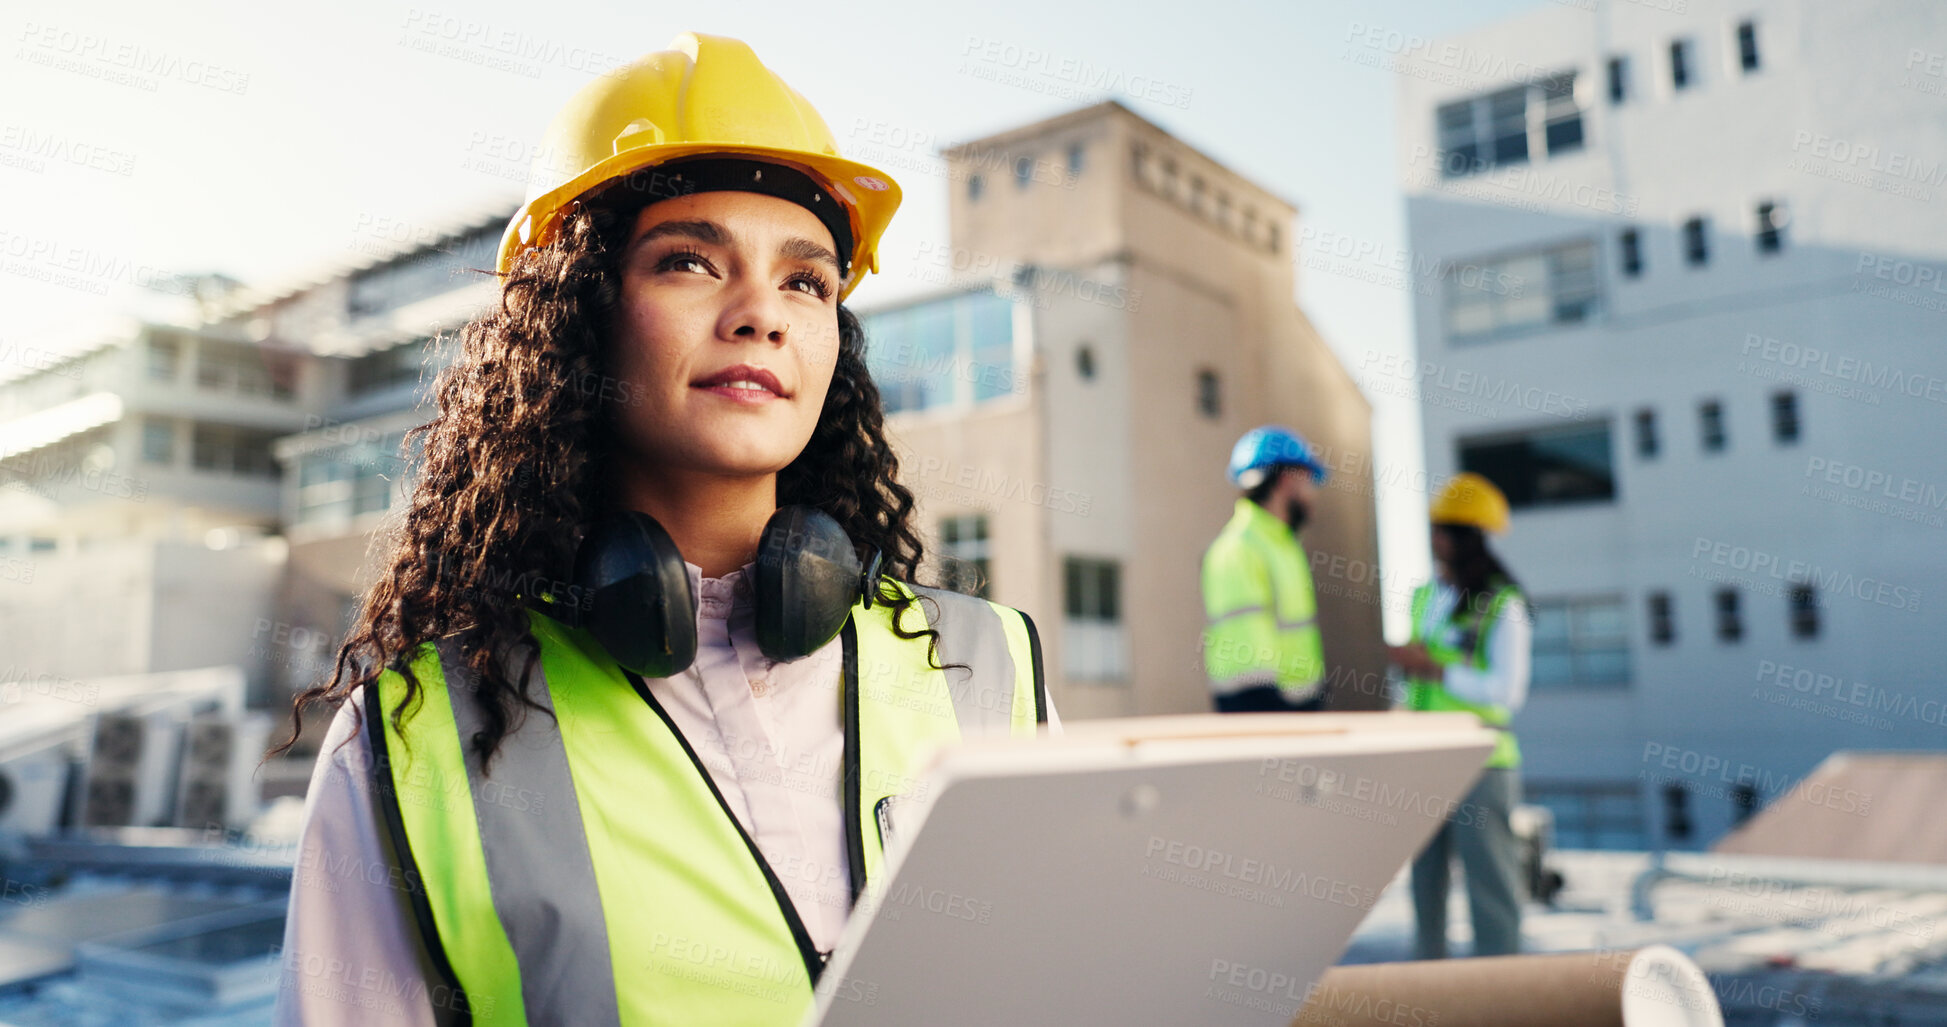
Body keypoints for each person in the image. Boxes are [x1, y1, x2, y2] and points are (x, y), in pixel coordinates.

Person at [269, 34, 1054, 1026]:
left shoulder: (989, 667)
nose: (762, 313)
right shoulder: (411, 740)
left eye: (806, 280)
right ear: (576, 319)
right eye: (689, 261)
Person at [1388, 472, 1531, 959]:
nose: (1435, 540)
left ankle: (1499, 987)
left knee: (1491, 887)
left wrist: (1435, 669)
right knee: (1425, 884)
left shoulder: (1503, 605)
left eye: (1444, 530)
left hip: (1482, 763)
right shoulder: (1425, 598)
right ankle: (1431, 985)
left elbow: (1507, 693)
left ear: (1468, 538)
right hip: (1425, 759)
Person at [1201, 426, 1330, 713]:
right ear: (1287, 480)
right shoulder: (1238, 548)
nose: (1313, 494)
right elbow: (1247, 672)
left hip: (1296, 710)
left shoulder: (1285, 547)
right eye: (1308, 480)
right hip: (1262, 712)